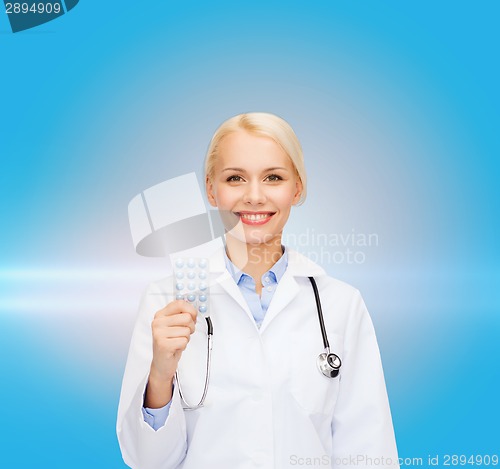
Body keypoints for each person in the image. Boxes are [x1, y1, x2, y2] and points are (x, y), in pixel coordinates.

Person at [117, 112, 399, 469]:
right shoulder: (165, 302)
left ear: (297, 188)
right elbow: (147, 461)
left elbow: (370, 453)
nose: (254, 196)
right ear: (211, 190)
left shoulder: (340, 304)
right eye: (235, 178)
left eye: (273, 178)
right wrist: (160, 374)